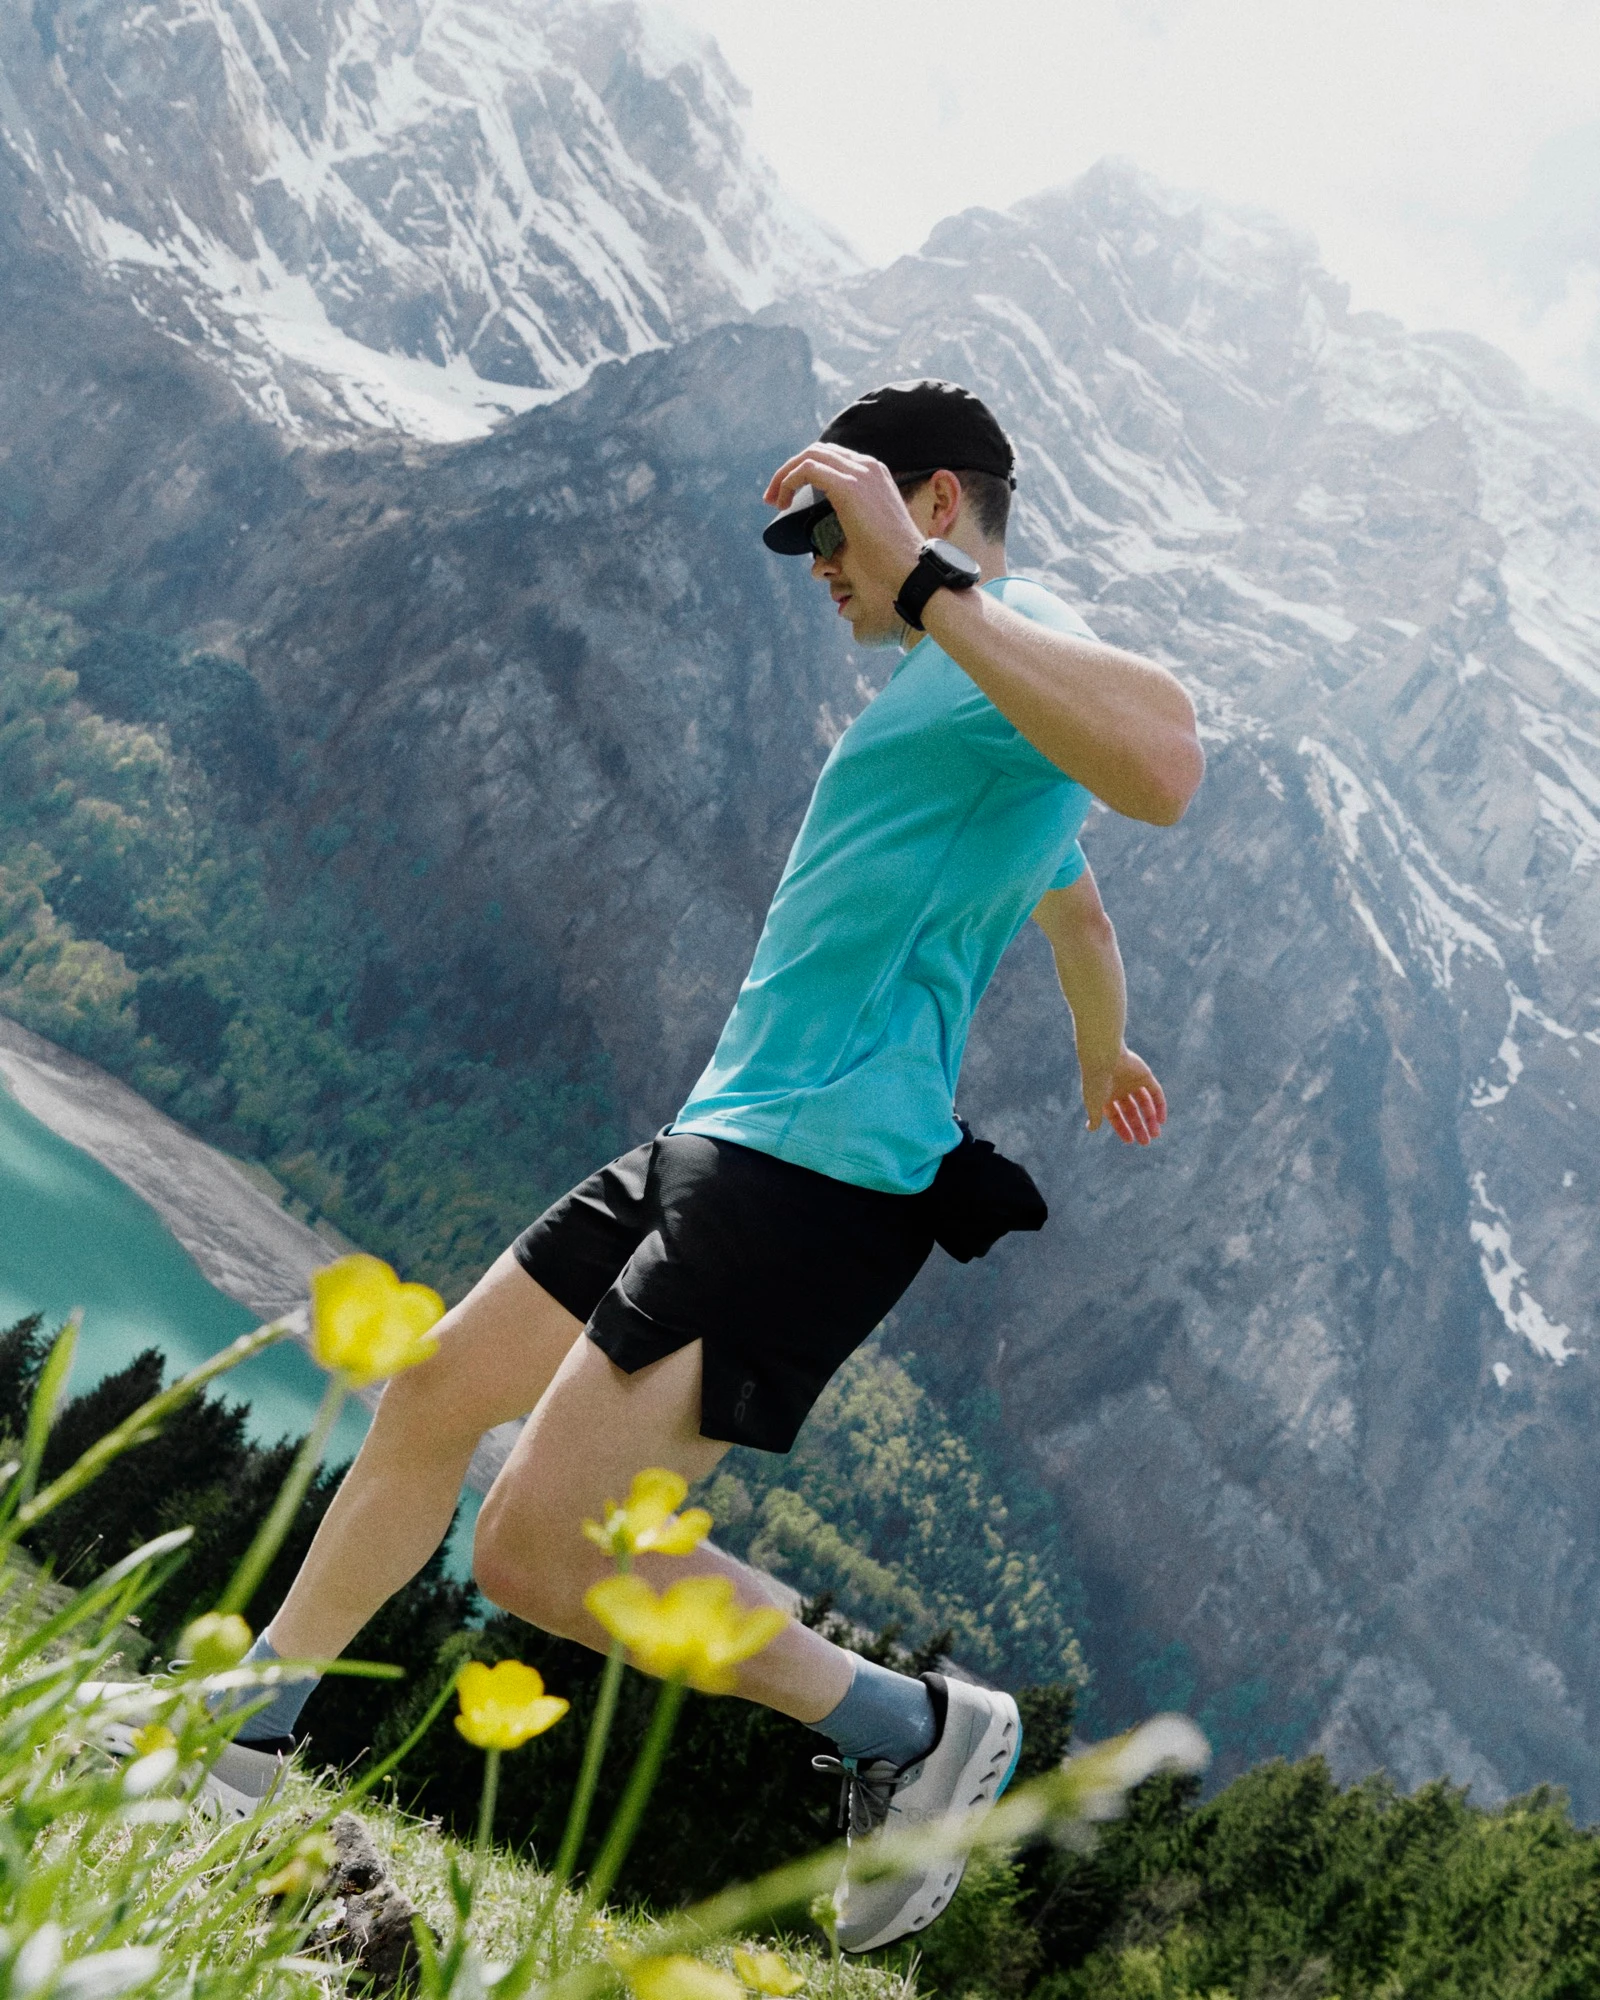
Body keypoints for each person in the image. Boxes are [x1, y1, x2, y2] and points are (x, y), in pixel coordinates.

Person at [166, 381, 1203, 1946]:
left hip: (818, 1171)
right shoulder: (974, 698)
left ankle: (911, 1731)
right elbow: (1079, 908)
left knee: (536, 1549)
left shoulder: (1007, 639)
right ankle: (236, 1743)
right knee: (438, 1393)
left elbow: (1167, 762)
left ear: (926, 504)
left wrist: (931, 588)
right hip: (722, 1135)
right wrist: (1098, 1047)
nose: (816, 567)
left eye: (829, 531)